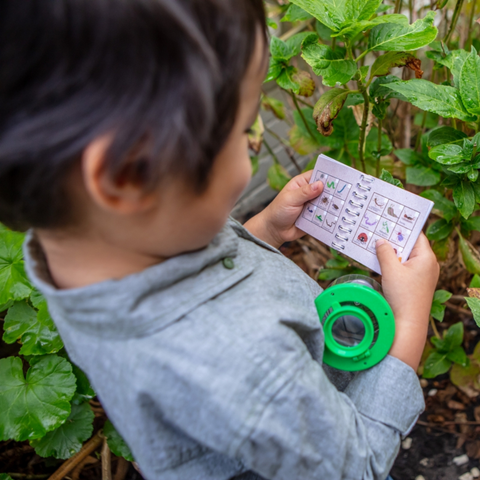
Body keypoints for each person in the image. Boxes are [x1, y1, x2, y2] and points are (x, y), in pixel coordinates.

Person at [0, 1, 439, 479]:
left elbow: (187, 268)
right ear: (128, 176)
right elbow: (356, 467)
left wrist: (263, 231)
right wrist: (410, 322)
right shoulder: (242, 363)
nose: (253, 150)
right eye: (242, 129)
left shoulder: (81, 245)